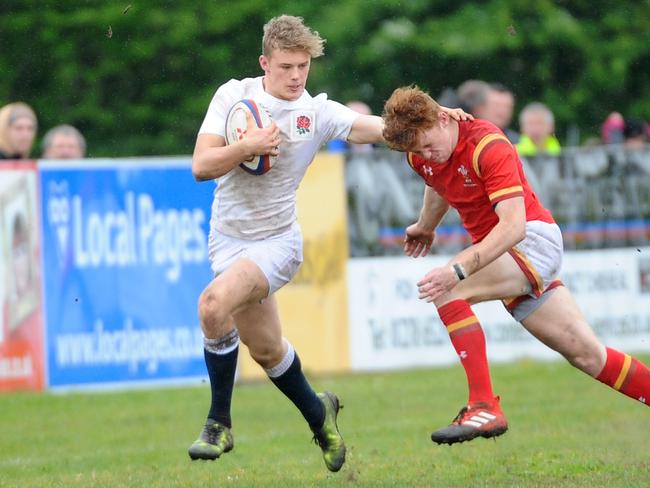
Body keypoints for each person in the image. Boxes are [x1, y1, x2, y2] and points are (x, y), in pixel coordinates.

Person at [189, 15, 472, 470]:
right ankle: (320, 413)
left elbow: (381, 129)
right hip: (226, 239)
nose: (296, 75)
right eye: (285, 67)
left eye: (303, 66)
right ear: (264, 62)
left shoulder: (316, 113)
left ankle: (218, 423)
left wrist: (438, 125)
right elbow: (202, 165)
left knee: (211, 307)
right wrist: (249, 146)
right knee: (266, 349)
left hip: (277, 242)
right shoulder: (233, 97)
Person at [381, 86, 650, 446]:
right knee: (588, 355)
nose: (426, 155)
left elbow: (513, 226)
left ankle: (483, 405)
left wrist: (458, 269)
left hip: (530, 243)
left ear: (443, 118)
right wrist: (425, 226)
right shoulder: (420, 151)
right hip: (501, 254)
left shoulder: (488, 145)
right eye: (417, 151)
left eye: (428, 145)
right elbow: (438, 180)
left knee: (447, 288)